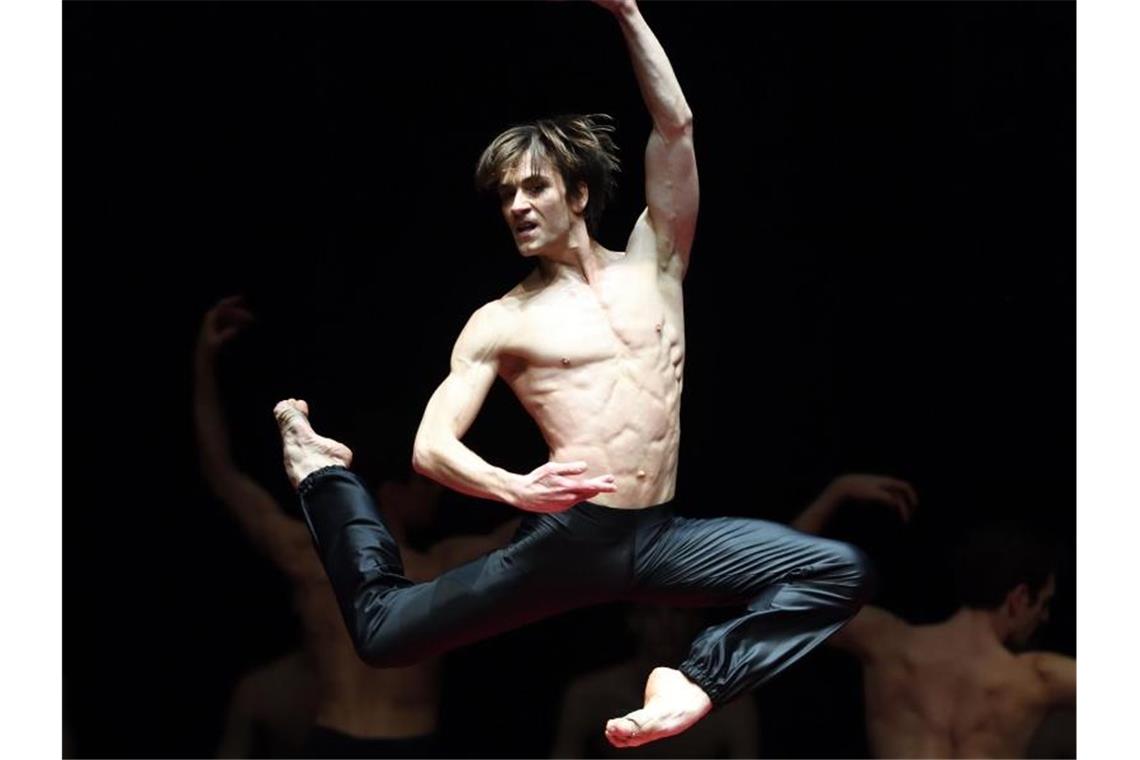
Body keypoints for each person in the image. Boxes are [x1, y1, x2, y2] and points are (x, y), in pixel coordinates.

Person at [274, 1, 871, 748]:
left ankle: (696, 680)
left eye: (534, 188)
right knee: (383, 634)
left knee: (837, 572)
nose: (517, 206)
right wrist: (514, 488)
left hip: (661, 533)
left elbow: (677, 126)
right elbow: (432, 446)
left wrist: (626, 11)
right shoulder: (503, 320)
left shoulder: (658, 263)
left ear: (579, 194)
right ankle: (321, 476)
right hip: (573, 541)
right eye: (505, 196)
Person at [195, 296, 519, 758]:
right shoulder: (329, 560)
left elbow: (542, 526)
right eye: (422, 483)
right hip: (351, 742)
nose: (436, 492)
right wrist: (204, 361)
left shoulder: (427, 562)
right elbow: (221, 473)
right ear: (391, 490)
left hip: (392, 743)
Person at [791, 477, 1076, 758]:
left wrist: (837, 491)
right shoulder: (1035, 678)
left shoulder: (890, 647)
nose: (1044, 617)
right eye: (1044, 603)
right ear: (1020, 597)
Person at [551, 605, 760, 759]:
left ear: (696, 619)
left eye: (678, 611)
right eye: (652, 612)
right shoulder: (589, 694)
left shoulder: (732, 704)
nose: (665, 624)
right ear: (634, 619)